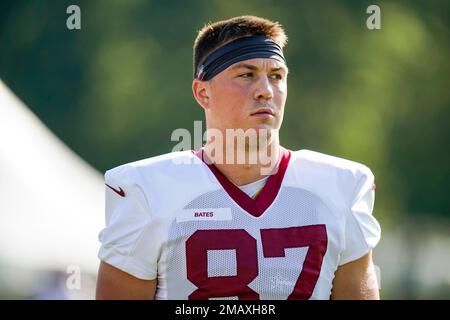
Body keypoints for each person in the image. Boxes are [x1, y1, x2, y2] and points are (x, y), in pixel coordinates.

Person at [95, 15, 381, 300]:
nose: (265, 91)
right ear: (203, 92)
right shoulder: (148, 190)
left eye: (276, 77)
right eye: (246, 75)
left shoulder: (340, 187)